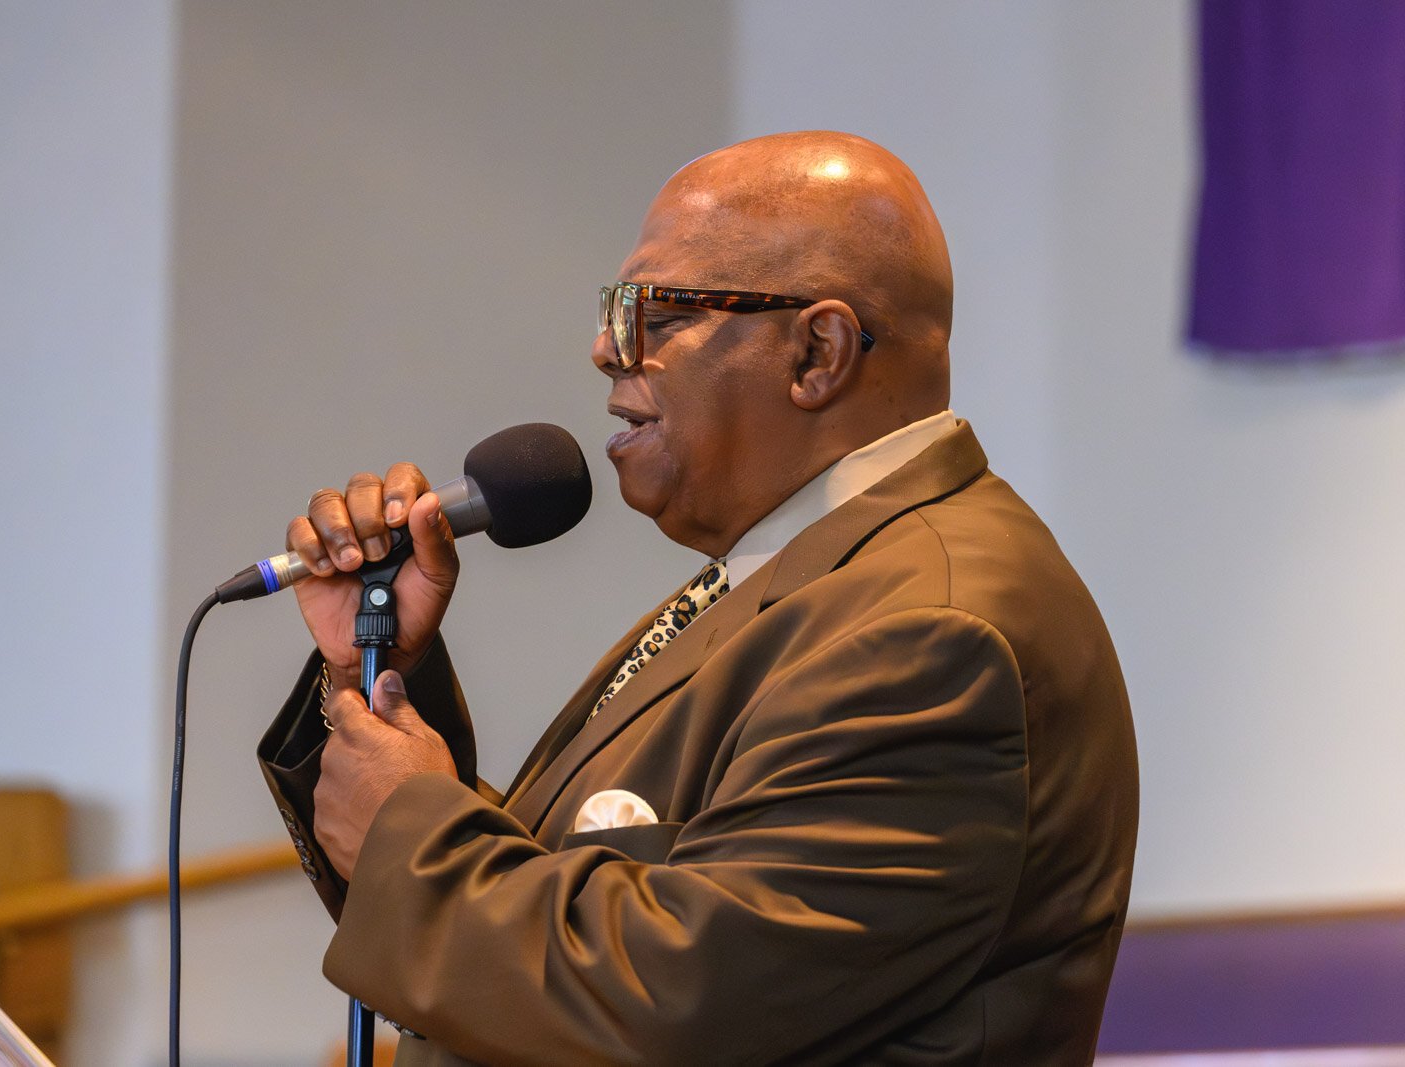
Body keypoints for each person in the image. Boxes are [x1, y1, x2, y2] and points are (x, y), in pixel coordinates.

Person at [260, 130, 1139, 1066]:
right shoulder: (814, 576)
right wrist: (378, 673)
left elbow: (674, 1007)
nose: (605, 349)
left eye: (654, 313)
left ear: (818, 352)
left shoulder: (928, 633)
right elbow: (568, 914)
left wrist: (408, 830)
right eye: (614, 309)